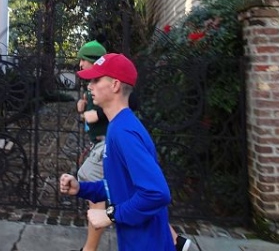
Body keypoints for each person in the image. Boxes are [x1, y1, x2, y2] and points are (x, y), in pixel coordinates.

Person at [60, 53, 190, 251]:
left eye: (96, 80)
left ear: (115, 85)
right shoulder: (117, 126)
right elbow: (119, 185)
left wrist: (109, 215)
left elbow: (157, 193)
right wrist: (81, 189)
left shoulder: (124, 132)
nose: (90, 86)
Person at [74, 39, 109, 251]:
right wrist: (82, 106)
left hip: (106, 145)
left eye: (83, 60)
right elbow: (87, 106)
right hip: (99, 144)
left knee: (90, 183)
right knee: (133, 193)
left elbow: (128, 101)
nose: (80, 64)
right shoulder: (93, 83)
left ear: (93, 61)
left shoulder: (106, 81)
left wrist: (98, 114)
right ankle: (174, 240)